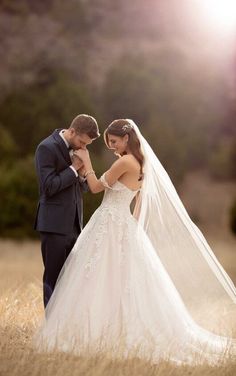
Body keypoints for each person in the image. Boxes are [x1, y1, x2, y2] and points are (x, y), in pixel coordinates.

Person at [34, 119, 236, 365]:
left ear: (127, 138)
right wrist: (132, 226)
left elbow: (96, 188)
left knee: (97, 278)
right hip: (122, 223)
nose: (114, 148)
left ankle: (93, 330)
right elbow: (139, 199)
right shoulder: (142, 163)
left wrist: (85, 164)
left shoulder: (125, 162)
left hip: (109, 223)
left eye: (115, 142)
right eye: (110, 145)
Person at [34, 114, 100, 308]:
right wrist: (73, 168)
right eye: (81, 142)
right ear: (72, 131)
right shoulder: (46, 148)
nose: (82, 147)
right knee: (53, 279)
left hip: (75, 226)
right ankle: (51, 331)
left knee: (71, 281)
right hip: (53, 225)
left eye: (86, 144)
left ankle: (65, 330)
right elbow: (48, 187)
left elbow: (85, 187)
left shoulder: (80, 149)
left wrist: (80, 175)